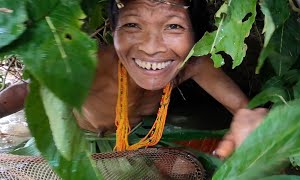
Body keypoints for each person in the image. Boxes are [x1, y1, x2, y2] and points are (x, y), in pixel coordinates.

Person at [0, 0, 266, 158]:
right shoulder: (91, 64)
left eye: (173, 26)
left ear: (196, 35)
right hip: (82, 142)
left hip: (138, 136)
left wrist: (256, 128)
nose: (151, 47)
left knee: (186, 166)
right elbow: (25, 90)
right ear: (113, 31)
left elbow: (244, 109)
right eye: (132, 25)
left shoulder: (193, 64)